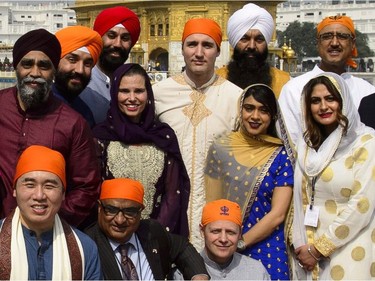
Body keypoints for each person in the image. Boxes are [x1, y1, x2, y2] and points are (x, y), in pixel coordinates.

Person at [153, 18, 243, 250]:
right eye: (192, 44)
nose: (199, 52)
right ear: (182, 49)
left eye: (208, 45)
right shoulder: (159, 94)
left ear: (218, 51)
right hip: (168, 209)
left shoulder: (236, 98)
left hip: (217, 213)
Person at [0, 29, 100, 228]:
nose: (35, 73)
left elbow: (86, 187)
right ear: (15, 67)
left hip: (47, 236)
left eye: (43, 66)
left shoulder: (72, 123)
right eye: (27, 64)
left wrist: (50, 222)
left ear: (54, 71)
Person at [290, 72, 375, 280]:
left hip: (351, 248)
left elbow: (362, 205)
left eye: (330, 98)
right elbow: (299, 199)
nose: (323, 107)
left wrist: (320, 249)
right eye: (315, 101)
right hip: (308, 252)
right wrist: (303, 246)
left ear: (343, 101)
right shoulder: (307, 146)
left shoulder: (365, 142)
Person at [205, 84, 294, 280]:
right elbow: (212, 203)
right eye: (249, 108)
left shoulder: (281, 156)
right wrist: (226, 240)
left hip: (267, 244)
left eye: (263, 110)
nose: (255, 116)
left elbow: (278, 214)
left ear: (273, 116)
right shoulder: (221, 148)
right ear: (240, 110)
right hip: (223, 242)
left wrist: (242, 242)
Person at [93, 63, 190, 236]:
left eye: (138, 91)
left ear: (148, 94)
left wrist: (155, 236)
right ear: (114, 94)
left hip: (156, 239)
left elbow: (173, 195)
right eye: (124, 91)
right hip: (110, 236)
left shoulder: (162, 136)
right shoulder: (101, 136)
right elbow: (94, 192)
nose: (132, 98)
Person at [0, 145, 102, 280]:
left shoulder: (85, 248)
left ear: (63, 193)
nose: (39, 195)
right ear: (14, 190)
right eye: (30, 185)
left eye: (49, 186)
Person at [85, 178, 210, 280]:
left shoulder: (151, 231)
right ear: (100, 209)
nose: (120, 220)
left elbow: (182, 247)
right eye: (111, 210)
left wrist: (198, 275)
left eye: (130, 212)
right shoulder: (87, 246)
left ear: (140, 212)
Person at [279, 15, 375, 146]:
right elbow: (290, 143)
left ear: (352, 43)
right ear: (317, 43)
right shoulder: (294, 89)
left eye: (342, 36)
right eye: (327, 36)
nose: (334, 43)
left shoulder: (367, 91)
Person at [80, 6, 141, 125]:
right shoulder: (81, 83)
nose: (117, 44)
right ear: (99, 38)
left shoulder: (136, 83)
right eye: (111, 36)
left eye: (125, 38)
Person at [216, 3, 290, 97]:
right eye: (244, 39)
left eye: (259, 40)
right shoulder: (217, 80)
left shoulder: (284, 83)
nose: (251, 46)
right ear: (234, 42)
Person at [200, 199, 270, 280]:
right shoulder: (185, 271)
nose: (223, 239)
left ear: (240, 233)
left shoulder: (256, 271)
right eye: (216, 231)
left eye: (230, 232)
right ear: (202, 231)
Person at [54, 25, 103, 128]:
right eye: (72, 60)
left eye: (87, 64)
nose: (80, 70)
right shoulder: (39, 106)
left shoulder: (84, 112)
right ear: (56, 61)